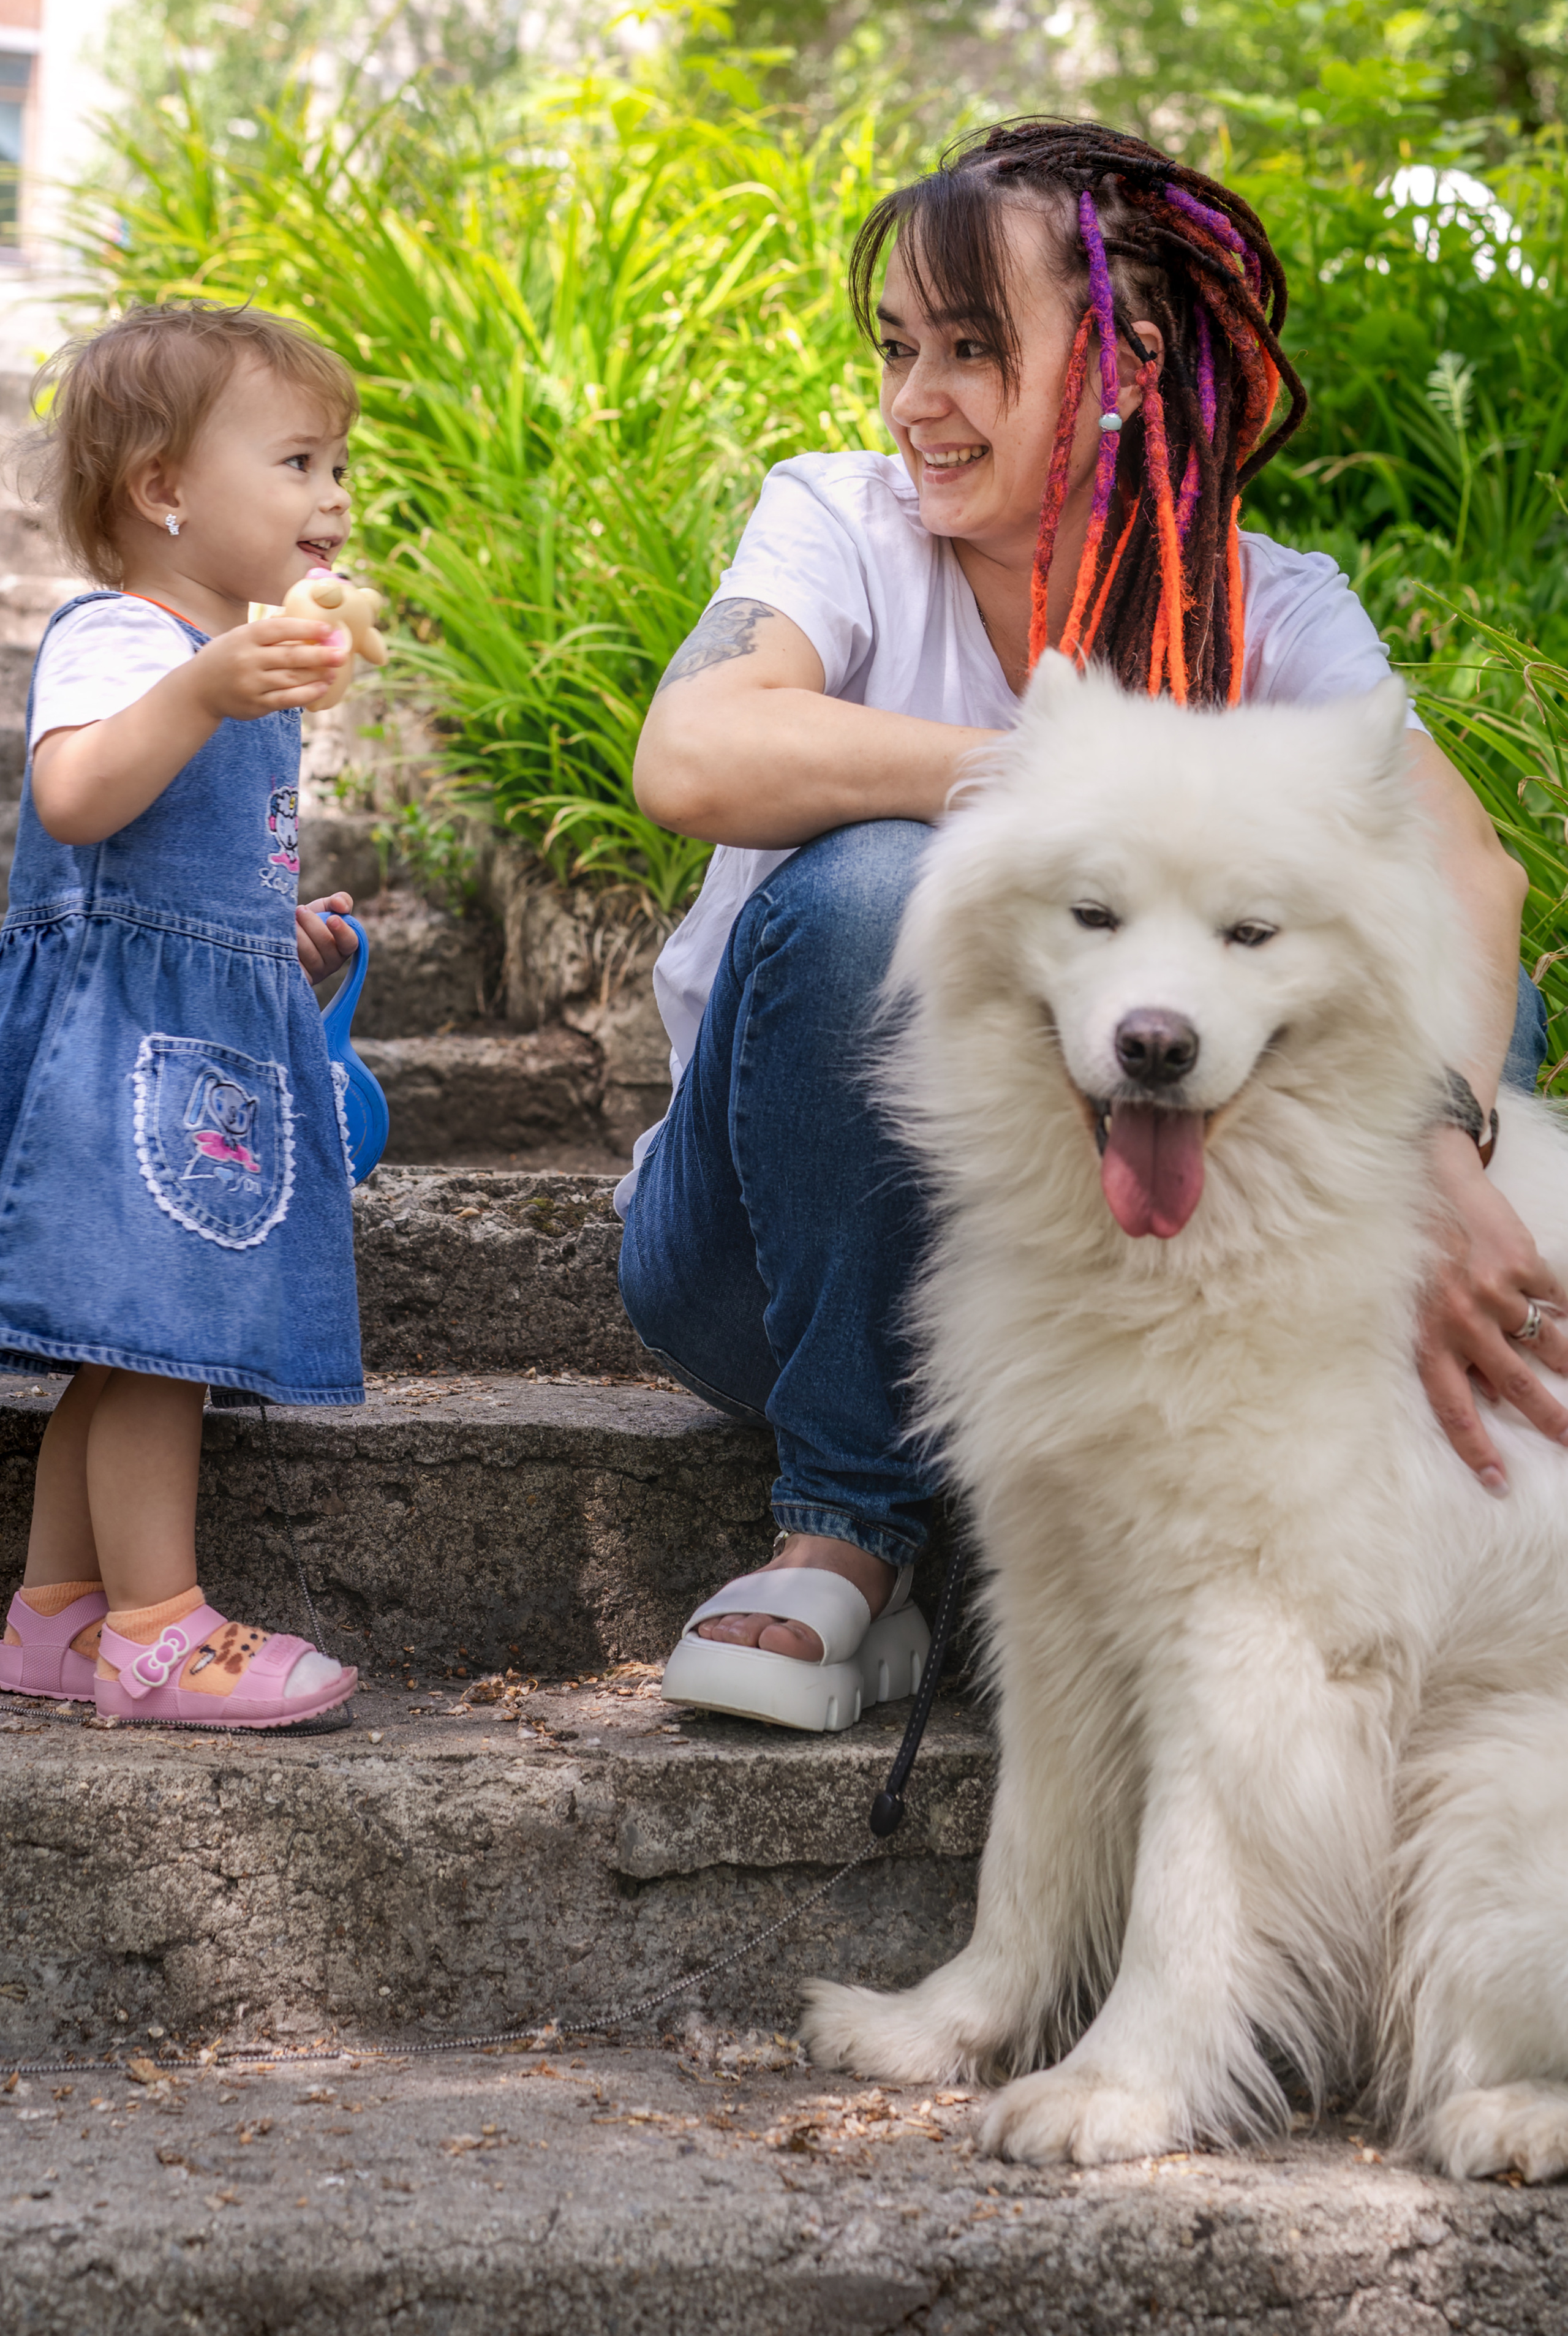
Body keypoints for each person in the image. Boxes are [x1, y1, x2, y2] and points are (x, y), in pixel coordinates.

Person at [619, 118, 1561, 1730]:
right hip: (757, 1265)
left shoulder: (1266, 604)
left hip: (1113, 1290)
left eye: (972, 349)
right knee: (881, 887)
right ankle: (845, 1529)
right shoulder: (839, 525)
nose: (915, 402)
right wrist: (1043, 788)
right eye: (897, 349)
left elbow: (1467, 870)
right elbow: (691, 753)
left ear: (1125, 361)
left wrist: (1439, 1141)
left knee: (1410, 970)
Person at [0, 301, 369, 1728]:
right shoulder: (124, 634)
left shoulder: (238, 661)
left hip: (195, 1028)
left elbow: (183, 862)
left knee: (127, 1340)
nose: (332, 498)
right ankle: (158, 1632)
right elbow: (76, 796)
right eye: (297, 463)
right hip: (123, 1047)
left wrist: (275, 936)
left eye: (338, 466)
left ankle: (57, 1614)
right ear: (163, 489)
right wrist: (200, 685)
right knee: (159, 1339)